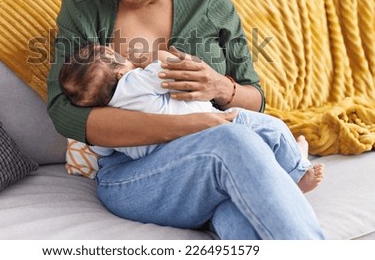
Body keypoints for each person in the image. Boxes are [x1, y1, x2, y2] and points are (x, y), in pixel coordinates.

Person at [47, 0, 326, 239]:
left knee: (240, 221)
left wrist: (221, 89)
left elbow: (257, 99)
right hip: (133, 178)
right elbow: (65, 113)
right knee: (230, 140)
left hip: (212, 170)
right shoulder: (82, 7)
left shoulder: (209, 1)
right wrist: (191, 124)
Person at [59, 43, 324, 193]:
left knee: (254, 149)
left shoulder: (110, 115)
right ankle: (297, 172)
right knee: (272, 128)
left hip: (170, 161)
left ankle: (279, 172)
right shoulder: (134, 82)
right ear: (119, 73)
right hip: (212, 126)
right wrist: (157, 55)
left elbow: (101, 148)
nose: (126, 57)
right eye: (120, 57)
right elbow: (169, 69)